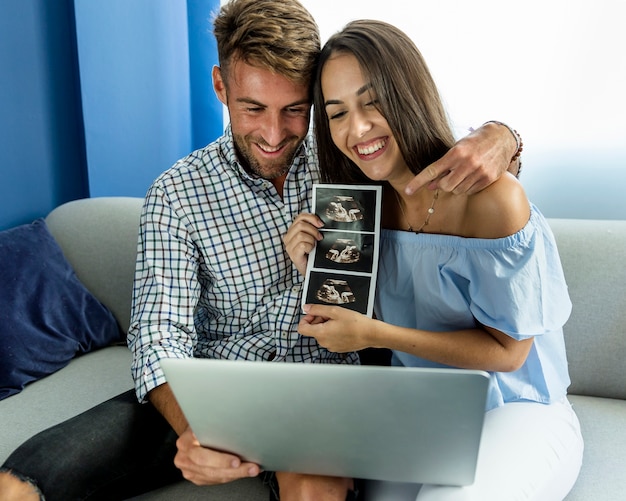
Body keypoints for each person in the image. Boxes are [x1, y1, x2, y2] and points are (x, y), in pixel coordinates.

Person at [0, 1, 522, 500]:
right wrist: (197, 429)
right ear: (221, 86)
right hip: (215, 387)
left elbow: (446, 172)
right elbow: (159, 333)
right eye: (253, 108)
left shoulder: (352, 158)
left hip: (325, 393)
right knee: (16, 486)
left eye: (295, 110)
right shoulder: (176, 194)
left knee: (314, 490)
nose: (274, 134)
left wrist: (503, 137)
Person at [283, 19, 584, 501]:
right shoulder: (356, 209)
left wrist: (374, 334)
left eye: (372, 101)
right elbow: (361, 326)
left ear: (406, 93)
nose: (357, 129)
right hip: (424, 414)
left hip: (519, 411)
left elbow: (510, 353)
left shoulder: (493, 198)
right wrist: (316, 274)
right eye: (337, 113)